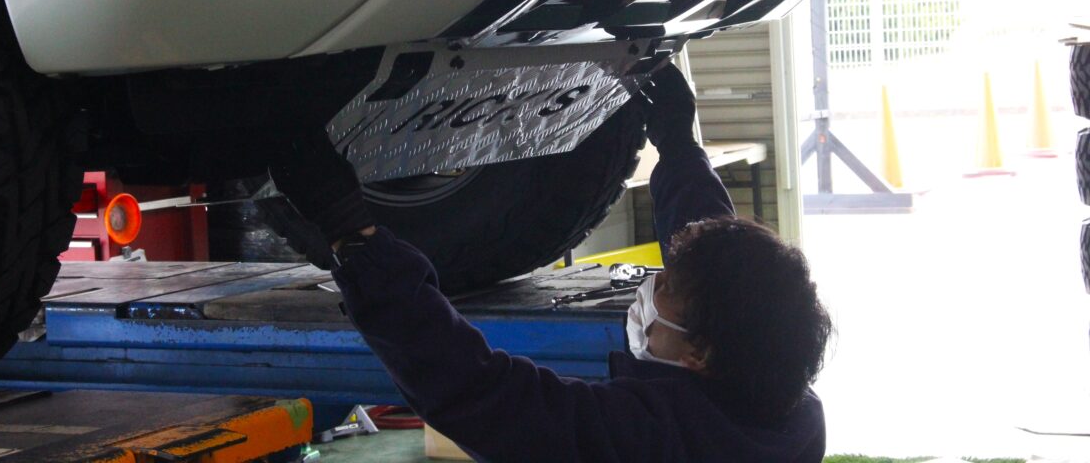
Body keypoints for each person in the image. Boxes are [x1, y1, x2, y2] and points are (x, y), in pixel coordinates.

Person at [270, 64, 833, 462]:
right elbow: (717, 267)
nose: (653, 285)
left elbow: (479, 392)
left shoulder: (648, 440)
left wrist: (356, 238)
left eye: (665, 289)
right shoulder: (792, 413)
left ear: (699, 353)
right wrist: (679, 147)